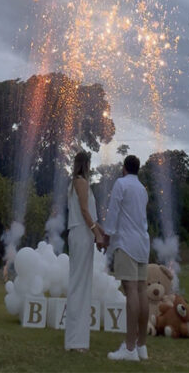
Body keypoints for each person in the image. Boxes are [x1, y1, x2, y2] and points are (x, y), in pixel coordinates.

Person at [100, 154, 150, 362]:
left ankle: (129, 349)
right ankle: (141, 345)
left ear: (124, 168)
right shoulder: (142, 189)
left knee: (131, 291)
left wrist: (106, 237)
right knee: (141, 290)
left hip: (127, 243)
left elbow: (113, 212)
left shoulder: (121, 184)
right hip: (142, 243)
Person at [65, 151, 105, 353]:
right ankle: (75, 341)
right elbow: (84, 211)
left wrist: (102, 232)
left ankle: (77, 339)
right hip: (81, 233)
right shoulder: (80, 182)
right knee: (79, 285)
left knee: (81, 284)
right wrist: (96, 233)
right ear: (86, 164)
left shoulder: (77, 183)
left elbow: (91, 217)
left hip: (83, 233)